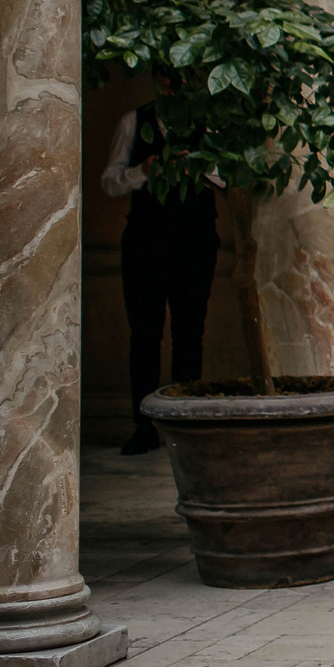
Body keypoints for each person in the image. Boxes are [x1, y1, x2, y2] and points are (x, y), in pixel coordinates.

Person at [103, 101, 221, 453]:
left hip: (196, 241)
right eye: (166, 79)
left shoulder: (208, 121)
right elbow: (109, 181)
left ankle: (184, 425)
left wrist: (199, 165)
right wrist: (142, 170)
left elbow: (227, 176)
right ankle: (143, 426)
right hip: (145, 243)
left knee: (190, 333)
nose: (175, 88)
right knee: (144, 336)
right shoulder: (133, 121)